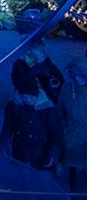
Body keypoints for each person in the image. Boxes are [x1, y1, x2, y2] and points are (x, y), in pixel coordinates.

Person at [60, 59, 87, 191]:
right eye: (73, 74)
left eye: (80, 75)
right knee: (76, 181)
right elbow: (59, 110)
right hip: (73, 141)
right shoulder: (67, 88)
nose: (76, 78)